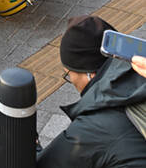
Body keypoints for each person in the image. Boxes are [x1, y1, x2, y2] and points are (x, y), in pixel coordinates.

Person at [37, 15, 146, 167]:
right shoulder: (142, 74)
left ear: (90, 75)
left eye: (68, 74)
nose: (72, 81)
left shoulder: (92, 129)